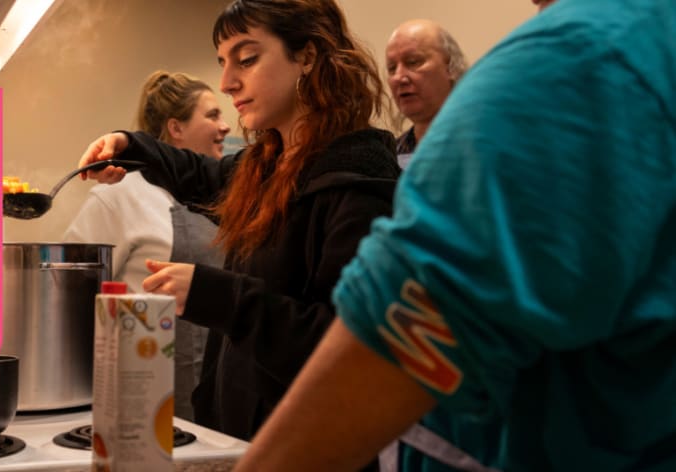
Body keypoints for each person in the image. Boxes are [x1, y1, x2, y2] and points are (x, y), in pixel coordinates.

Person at [233, 0, 676, 470]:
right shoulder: (650, 40)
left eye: (246, 59)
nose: (401, 76)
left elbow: (411, 323)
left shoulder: (578, 60)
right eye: (393, 66)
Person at [77, 0, 400, 443]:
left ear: (307, 56)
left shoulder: (358, 180)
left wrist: (216, 295)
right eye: (223, 63)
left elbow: (346, 347)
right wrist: (128, 145)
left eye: (247, 59)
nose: (228, 83)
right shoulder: (269, 162)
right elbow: (198, 174)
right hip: (240, 437)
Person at [63, 70, 230, 421]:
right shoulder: (119, 196)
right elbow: (69, 291)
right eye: (213, 115)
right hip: (144, 393)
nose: (226, 126)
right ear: (176, 128)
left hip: (217, 389)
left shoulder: (226, 200)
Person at [385, 19, 467, 167]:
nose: (399, 77)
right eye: (392, 68)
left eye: (413, 62)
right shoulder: (390, 158)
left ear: (450, 66)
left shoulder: (482, 142)